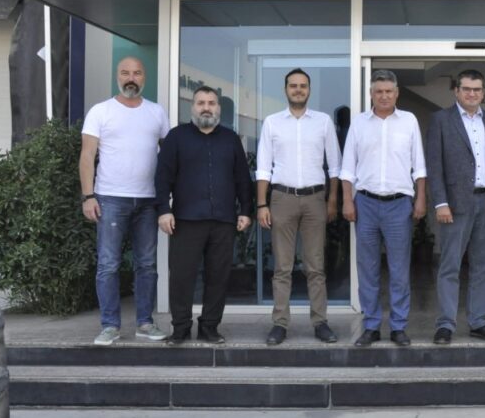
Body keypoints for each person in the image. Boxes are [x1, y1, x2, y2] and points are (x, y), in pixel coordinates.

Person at [79, 56, 170, 346]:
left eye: (137, 73)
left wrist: (168, 197)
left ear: (145, 77)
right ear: (117, 76)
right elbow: (86, 156)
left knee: (147, 265)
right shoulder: (101, 111)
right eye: (126, 73)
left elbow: (169, 158)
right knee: (108, 264)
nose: (131, 78)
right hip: (110, 198)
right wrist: (88, 196)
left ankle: (145, 322)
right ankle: (110, 326)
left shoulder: (157, 113)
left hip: (148, 200)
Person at [155, 86, 253, 345]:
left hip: (224, 220)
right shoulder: (176, 137)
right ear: (192, 107)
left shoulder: (231, 139)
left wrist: (246, 210)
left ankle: (209, 327)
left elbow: (242, 178)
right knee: (182, 277)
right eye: (201, 103)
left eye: (211, 103)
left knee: (218, 277)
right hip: (186, 220)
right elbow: (162, 177)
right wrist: (163, 210)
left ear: (218, 108)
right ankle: (180, 328)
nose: (206, 107)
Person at [340, 70, 427, 347]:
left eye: (389, 91)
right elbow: (347, 167)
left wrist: (421, 198)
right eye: (379, 91)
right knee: (368, 269)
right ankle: (372, 326)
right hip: (365, 203)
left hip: (399, 205)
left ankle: (399, 326)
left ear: (397, 93)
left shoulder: (409, 121)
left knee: (399, 270)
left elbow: (419, 165)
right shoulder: (359, 124)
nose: (384, 96)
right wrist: (347, 200)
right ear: (371, 94)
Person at [256, 68, 342, 346]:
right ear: (285, 90)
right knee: (282, 267)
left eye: (303, 85)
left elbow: (335, 166)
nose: (298, 90)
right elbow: (263, 167)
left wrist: (332, 200)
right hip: (282, 198)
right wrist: (262, 204)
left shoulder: (323, 122)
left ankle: (320, 322)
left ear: (309, 90)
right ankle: (280, 323)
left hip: (315, 199)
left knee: (315, 266)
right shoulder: (272, 122)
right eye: (293, 85)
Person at [426, 70, 485, 345]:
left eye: (477, 89)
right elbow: (434, 164)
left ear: (483, 93)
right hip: (454, 204)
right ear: (456, 91)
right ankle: (445, 324)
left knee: (483, 265)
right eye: (466, 89)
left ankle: (479, 321)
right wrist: (440, 202)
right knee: (450, 265)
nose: (472, 94)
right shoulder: (441, 120)